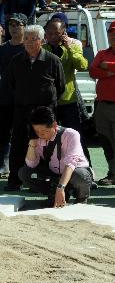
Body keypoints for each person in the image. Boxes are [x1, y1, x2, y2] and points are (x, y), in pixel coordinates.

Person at [5, 24, 66, 191]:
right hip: (22, 111)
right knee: (18, 145)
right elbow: (11, 84)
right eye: (26, 39)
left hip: (44, 112)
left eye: (33, 39)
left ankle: (41, 182)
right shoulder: (16, 60)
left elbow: (60, 87)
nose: (29, 42)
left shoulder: (52, 60)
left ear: (42, 40)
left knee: (44, 147)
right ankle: (14, 180)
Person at [21, 106, 93, 207]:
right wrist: (32, 144)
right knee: (24, 173)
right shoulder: (37, 138)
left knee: (80, 175)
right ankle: (56, 193)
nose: (40, 134)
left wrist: (61, 187)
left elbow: (71, 163)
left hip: (74, 172)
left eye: (44, 131)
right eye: (37, 131)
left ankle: (81, 199)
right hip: (54, 175)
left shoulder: (71, 134)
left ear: (54, 125)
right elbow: (31, 164)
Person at [0, 14, 28, 179]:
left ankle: (25, 168)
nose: (13, 28)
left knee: (24, 135)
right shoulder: (3, 48)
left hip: (25, 100)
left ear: (25, 27)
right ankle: (3, 166)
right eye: (11, 25)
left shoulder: (30, 47)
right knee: (4, 134)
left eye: (17, 25)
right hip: (4, 98)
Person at [89, 23, 115, 186]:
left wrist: (106, 67)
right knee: (106, 141)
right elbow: (92, 71)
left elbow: (99, 68)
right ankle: (112, 172)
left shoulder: (103, 58)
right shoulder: (102, 53)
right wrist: (108, 71)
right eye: (111, 33)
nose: (113, 36)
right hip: (103, 105)